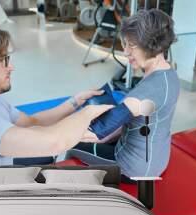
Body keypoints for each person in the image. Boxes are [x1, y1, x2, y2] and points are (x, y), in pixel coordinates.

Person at [0, 25, 112, 187]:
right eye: (3, 61)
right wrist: (88, 113)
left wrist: (76, 101)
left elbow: (32, 120)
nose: (11, 67)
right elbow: (55, 143)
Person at [74, 8, 179, 178]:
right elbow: (119, 125)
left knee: (74, 147)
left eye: (131, 46)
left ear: (150, 44)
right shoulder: (170, 74)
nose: (126, 52)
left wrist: (53, 133)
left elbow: (96, 133)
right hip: (157, 159)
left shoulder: (139, 97)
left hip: (132, 169)